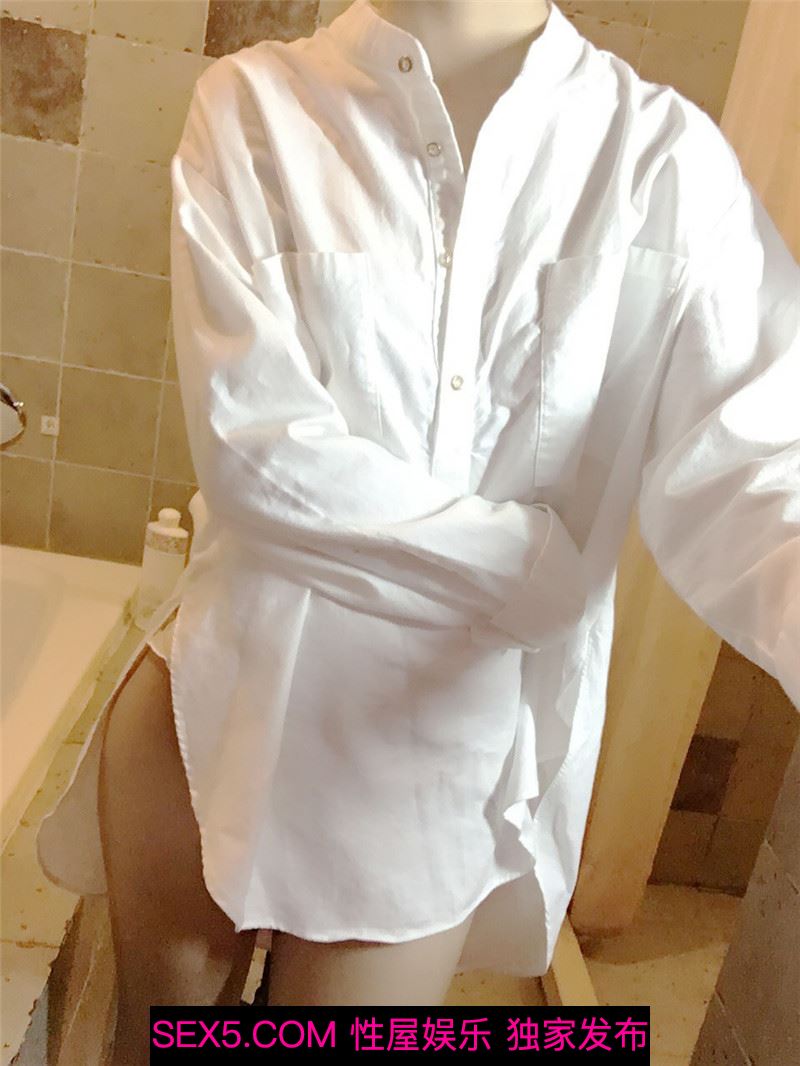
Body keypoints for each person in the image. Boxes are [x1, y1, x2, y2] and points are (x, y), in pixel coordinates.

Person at [34, 2, 799, 1062]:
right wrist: (538, 570)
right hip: (208, 718)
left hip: (423, 780)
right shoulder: (256, 107)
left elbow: (762, 466)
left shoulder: (661, 164)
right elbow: (259, 458)